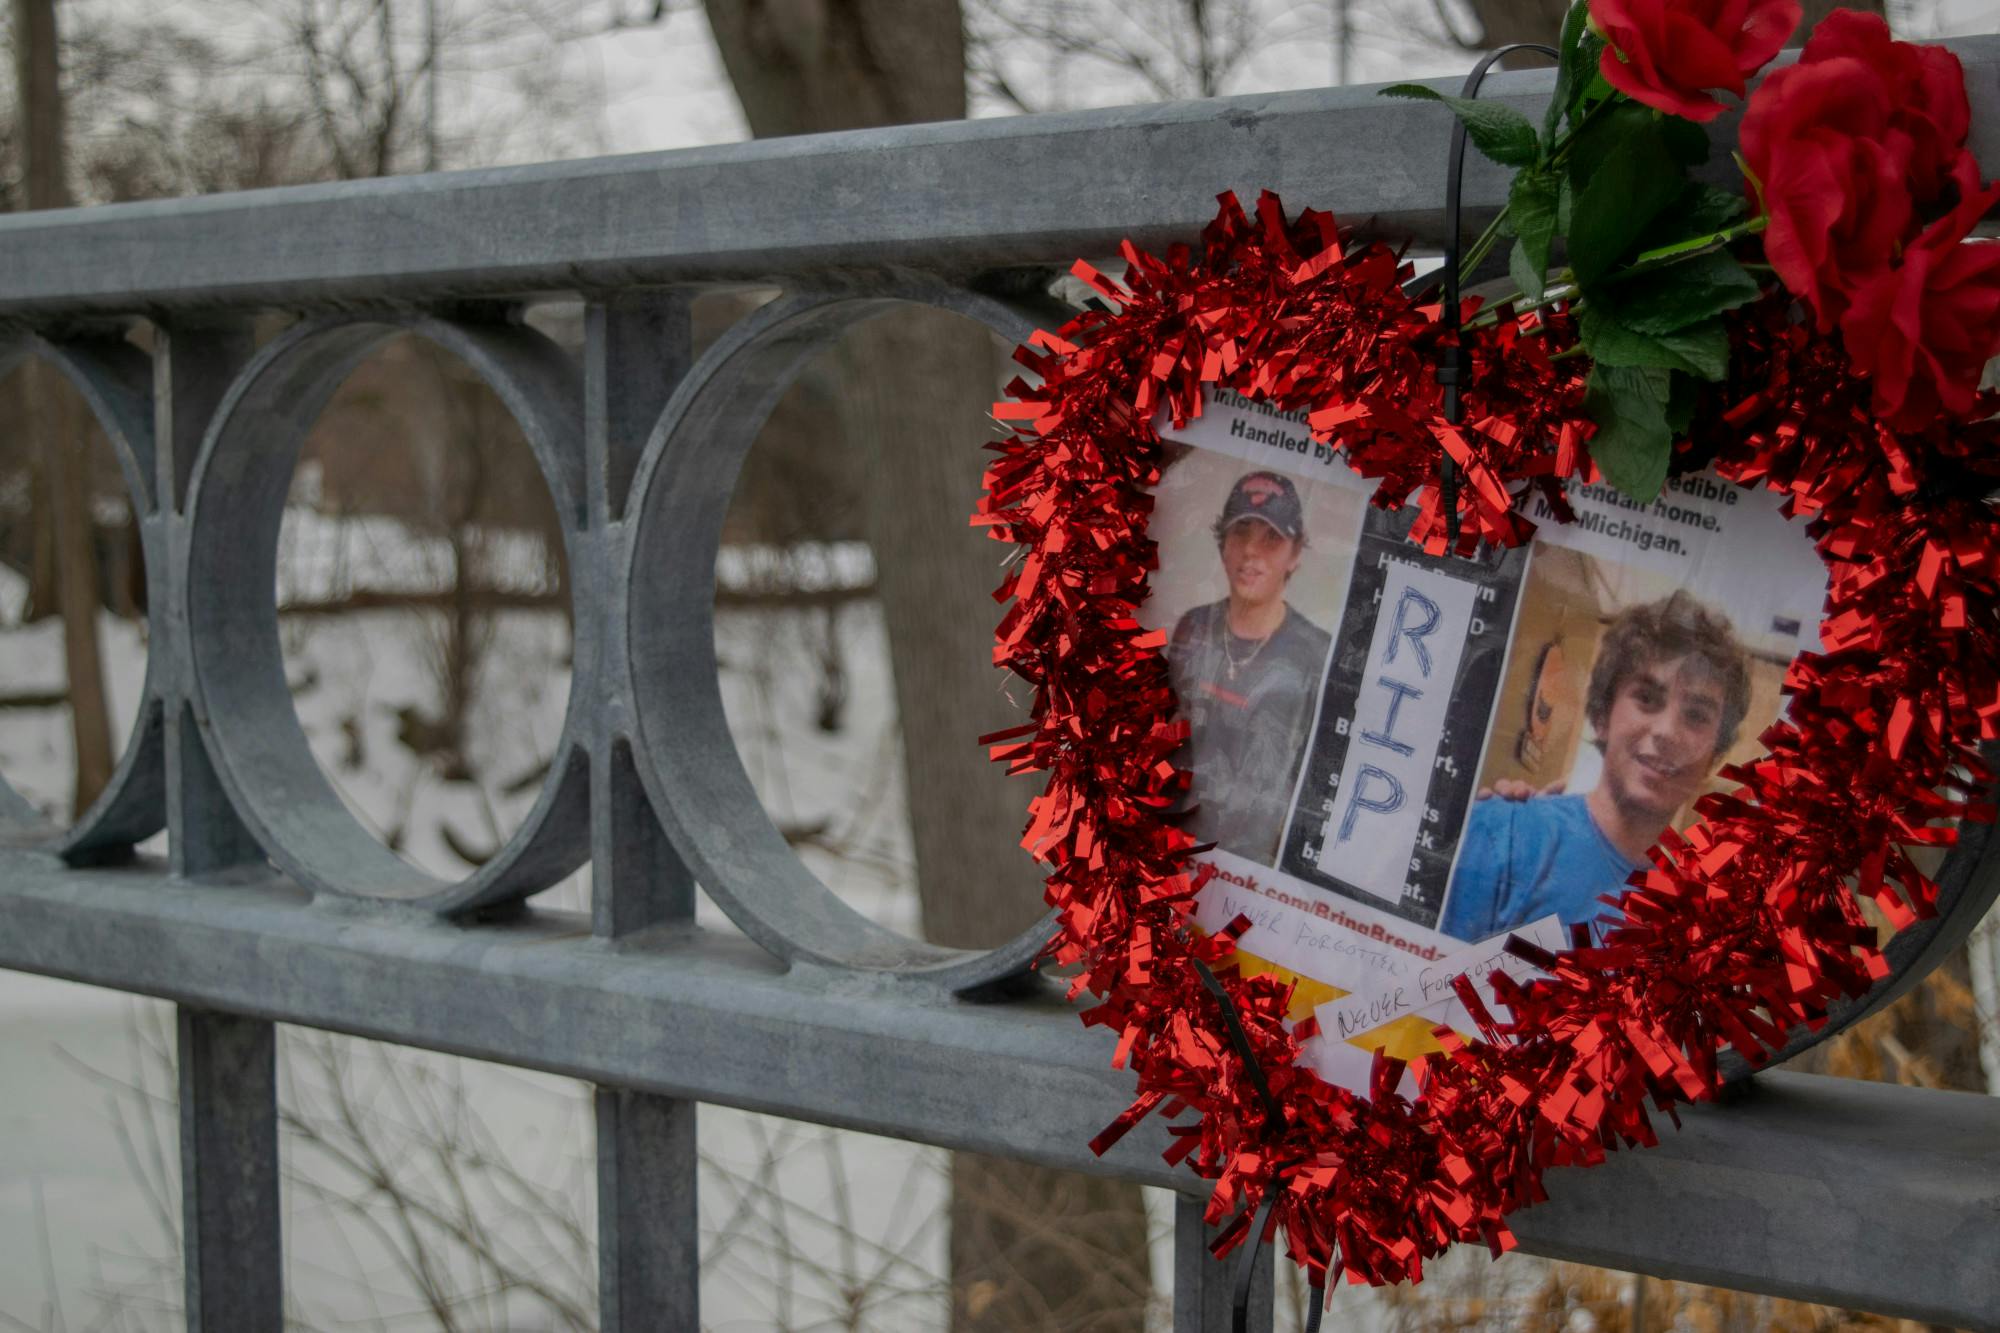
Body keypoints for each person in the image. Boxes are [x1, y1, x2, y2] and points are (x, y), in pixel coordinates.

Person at [1438, 591, 1752, 941]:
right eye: (1647, 698)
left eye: (1696, 715)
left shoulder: (1691, 917)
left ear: (1715, 755)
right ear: (1603, 716)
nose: (1667, 732)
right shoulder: (1502, 835)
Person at [1167, 470, 1332, 863]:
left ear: (1294, 554)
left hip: (1256, 867)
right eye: (1241, 533)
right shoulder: (1193, 627)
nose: (1251, 552)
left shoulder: (1316, 652)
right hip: (1174, 848)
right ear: (1223, 544)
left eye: (1271, 538)